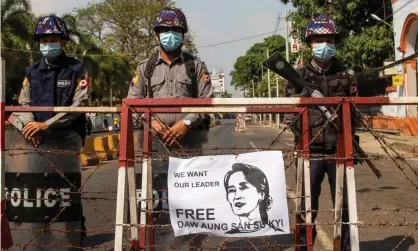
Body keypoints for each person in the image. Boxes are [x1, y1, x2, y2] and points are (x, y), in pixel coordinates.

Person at [126, 7, 213, 250]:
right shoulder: (145, 68)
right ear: (157, 35)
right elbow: (133, 102)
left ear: (183, 35)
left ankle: (193, 244)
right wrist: (151, 121)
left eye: (175, 30)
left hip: (190, 142)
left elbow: (207, 100)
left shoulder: (196, 66)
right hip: (154, 144)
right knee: (156, 199)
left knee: (190, 198)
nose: (170, 35)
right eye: (165, 31)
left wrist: (185, 122)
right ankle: (157, 243)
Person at [285, 14, 357, 251]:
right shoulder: (297, 76)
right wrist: (303, 136)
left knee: (344, 208)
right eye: (318, 40)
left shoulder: (346, 75)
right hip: (309, 152)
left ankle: (345, 247)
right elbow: (289, 114)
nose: (323, 45)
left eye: (328, 39)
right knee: (306, 208)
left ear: (334, 43)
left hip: (339, 150)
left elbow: (354, 113)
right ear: (309, 44)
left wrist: (351, 142)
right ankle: (304, 247)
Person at [16, 15, 88, 237]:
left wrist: (45, 125)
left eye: (52, 39)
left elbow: (80, 104)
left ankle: (73, 235)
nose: (47, 44)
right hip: (36, 141)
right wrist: (29, 126)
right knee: (38, 191)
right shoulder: (31, 72)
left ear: (63, 41)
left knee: (66, 190)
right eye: (43, 40)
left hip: (66, 139)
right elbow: (23, 103)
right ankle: (41, 237)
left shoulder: (77, 68)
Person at [223, 163, 283, 234]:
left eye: (244, 187)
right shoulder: (227, 237)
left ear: (261, 194)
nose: (236, 196)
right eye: (232, 190)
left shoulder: (277, 234)